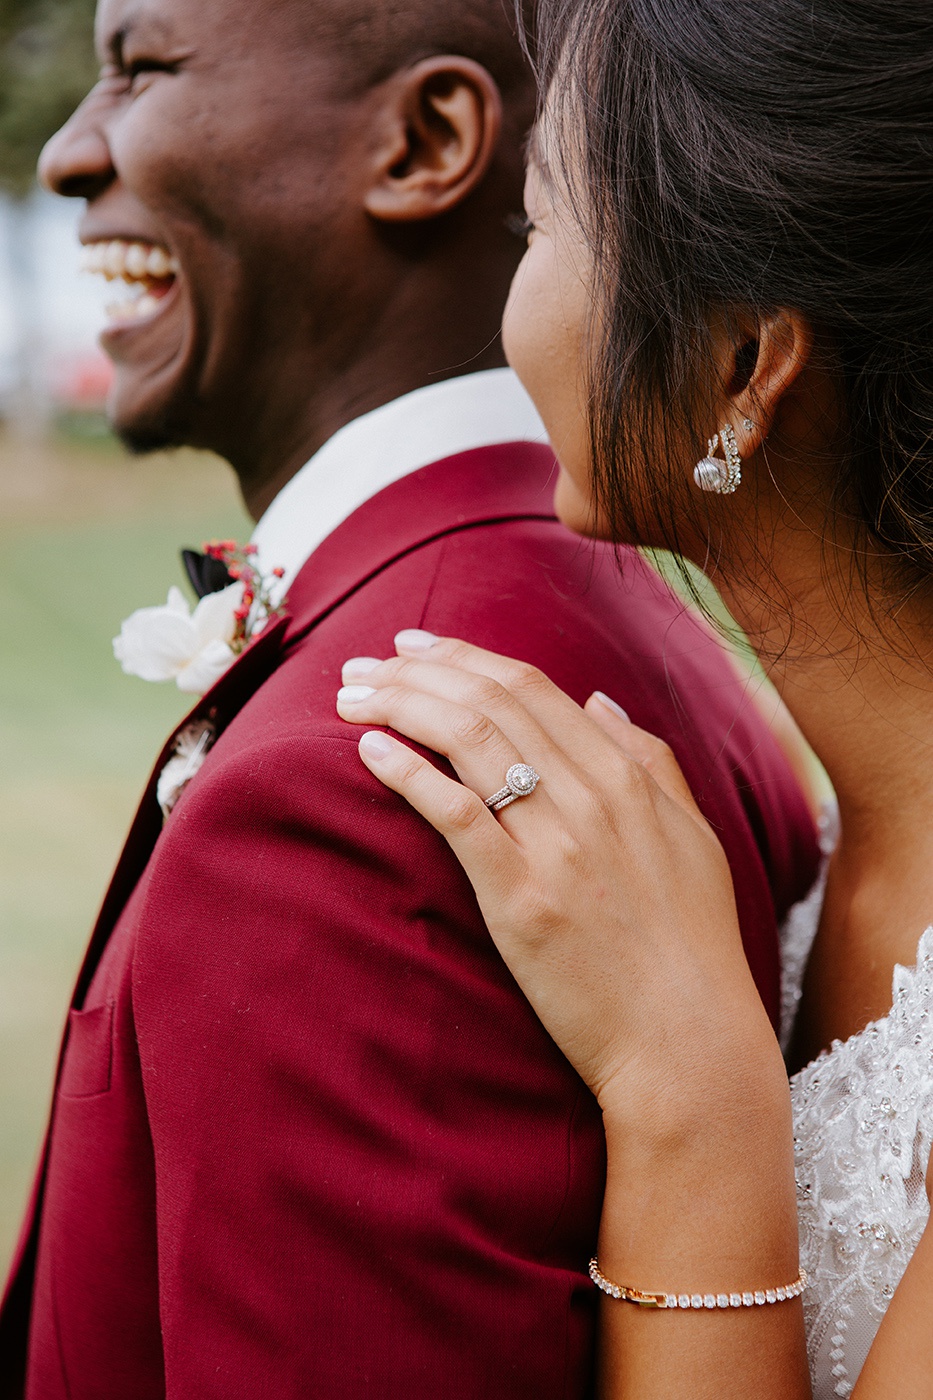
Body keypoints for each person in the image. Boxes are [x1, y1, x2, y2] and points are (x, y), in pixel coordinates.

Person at [0, 0, 821, 1397]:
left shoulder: (368, 773)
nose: (74, 153)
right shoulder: (628, 605)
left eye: (140, 66)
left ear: (427, 140)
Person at [332, 0, 933, 1396]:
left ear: (740, 365)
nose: (512, 299)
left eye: (538, 225)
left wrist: (683, 1087)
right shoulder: (840, 835)